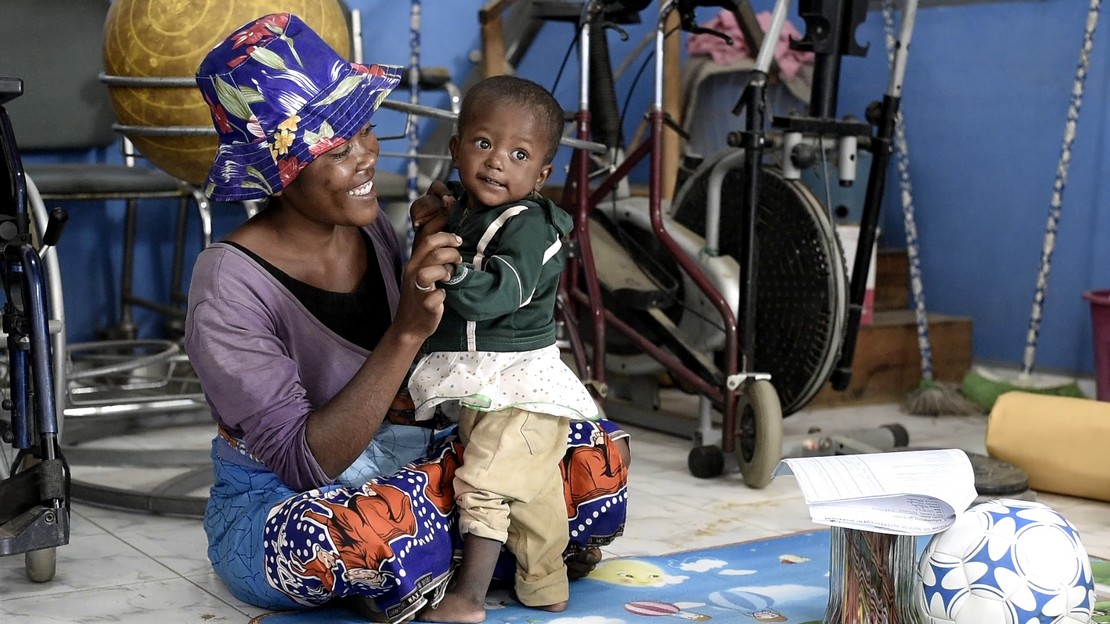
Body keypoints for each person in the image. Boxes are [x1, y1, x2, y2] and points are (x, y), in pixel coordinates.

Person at [184, 13, 630, 624]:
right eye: (339, 149)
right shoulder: (227, 284)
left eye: (365, 129)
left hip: (404, 462)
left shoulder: (370, 231)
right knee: (346, 534)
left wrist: (439, 241)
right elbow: (304, 462)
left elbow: (427, 386)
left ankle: (428, 556)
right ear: (280, 173)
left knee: (585, 452)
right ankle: (452, 551)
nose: (367, 156)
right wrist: (409, 331)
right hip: (285, 498)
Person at [407, 75, 597, 622]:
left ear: (540, 175)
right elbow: (445, 200)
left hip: (519, 385)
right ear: (456, 148)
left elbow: (503, 292)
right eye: (484, 144)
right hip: (489, 380)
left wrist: (456, 272)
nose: (496, 163)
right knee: (532, 497)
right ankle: (546, 588)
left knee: (485, 485)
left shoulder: (529, 225)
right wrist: (432, 203)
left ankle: (467, 600)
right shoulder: (469, 204)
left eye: (518, 154)